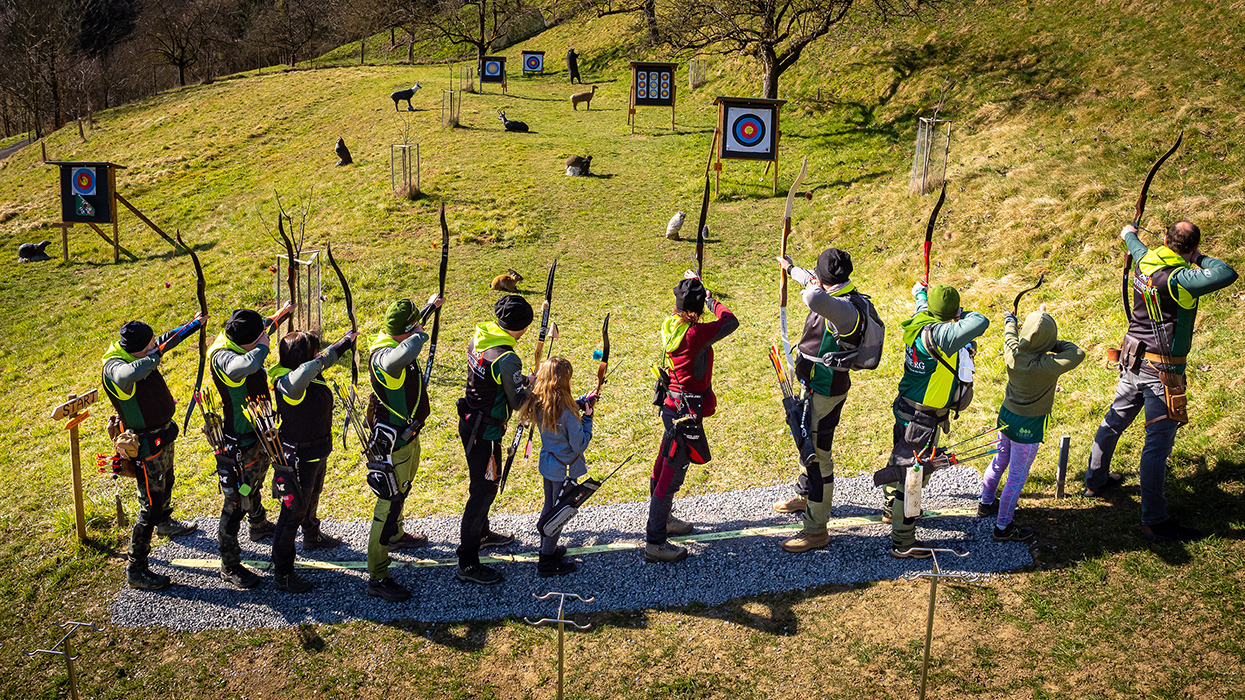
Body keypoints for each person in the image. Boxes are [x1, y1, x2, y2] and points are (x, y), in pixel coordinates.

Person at [1085, 221, 1237, 542]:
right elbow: (1226, 273)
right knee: (1157, 446)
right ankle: (1154, 520)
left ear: (1165, 240)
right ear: (1192, 247)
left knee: (1115, 419)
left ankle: (1095, 481)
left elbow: (1135, 244)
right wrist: (1197, 258)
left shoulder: (1146, 260)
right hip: (1162, 371)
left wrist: (1128, 232)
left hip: (1133, 357)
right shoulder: (1181, 278)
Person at [873, 283, 988, 558]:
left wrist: (921, 293)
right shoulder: (944, 336)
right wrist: (960, 312)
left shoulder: (920, 322)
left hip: (905, 410)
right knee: (912, 477)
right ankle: (904, 542)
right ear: (952, 314)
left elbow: (922, 306)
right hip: (922, 420)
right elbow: (980, 321)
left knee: (899, 460)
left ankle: (891, 509)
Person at [772, 249, 868, 553]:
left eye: (818, 276)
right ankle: (805, 493)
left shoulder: (843, 308)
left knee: (818, 457)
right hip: (813, 385)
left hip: (827, 392)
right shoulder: (836, 290)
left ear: (826, 280)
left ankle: (816, 531)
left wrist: (809, 279)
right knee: (806, 442)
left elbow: (811, 295)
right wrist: (790, 269)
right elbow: (811, 283)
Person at [101, 313, 206, 590]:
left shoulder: (137, 351)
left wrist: (193, 324)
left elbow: (161, 343)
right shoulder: (115, 367)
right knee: (149, 505)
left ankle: (165, 522)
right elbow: (129, 373)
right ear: (134, 350)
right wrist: (152, 358)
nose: (153, 348)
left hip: (162, 436)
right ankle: (136, 569)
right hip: (145, 445)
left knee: (166, 484)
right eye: (147, 347)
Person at [647, 274, 738, 563]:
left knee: (663, 463)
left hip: (672, 406)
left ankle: (664, 520)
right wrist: (711, 299)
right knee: (670, 476)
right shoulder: (692, 333)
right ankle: (655, 542)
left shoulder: (671, 323)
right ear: (694, 312)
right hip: (684, 411)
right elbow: (729, 321)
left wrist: (696, 289)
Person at [979, 304, 1084, 542]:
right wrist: (1051, 343)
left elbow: (1009, 334)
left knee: (998, 461)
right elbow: (1077, 353)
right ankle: (1003, 528)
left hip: (1006, 417)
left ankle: (986, 503)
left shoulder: (1013, 353)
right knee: (1016, 476)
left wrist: (1011, 320)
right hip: (1029, 426)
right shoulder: (1047, 366)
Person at [363, 295, 442, 601]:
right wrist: (421, 332)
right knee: (387, 504)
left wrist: (429, 308)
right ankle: (378, 575)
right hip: (393, 444)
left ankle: (396, 536)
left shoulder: (396, 337)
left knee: (402, 491)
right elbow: (400, 352)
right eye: (415, 328)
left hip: (408, 438)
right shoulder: (385, 357)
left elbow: (406, 333)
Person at [268, 328, 356, 593]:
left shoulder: (306, 376)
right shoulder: (288, 383)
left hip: (317, 452)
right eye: (314, 354)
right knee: (292, 511)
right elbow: (308, 371)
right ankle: (283, 572)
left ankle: (312, 536)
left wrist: (343, 344)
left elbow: (315, 366)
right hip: (298, 458)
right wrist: (322, 358)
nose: (320, 357)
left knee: (312, 498)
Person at [209, 306, 289, 589]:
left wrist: (282, 313)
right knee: (234, 503)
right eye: (256, 341)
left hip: (258, 434)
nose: (261, 341)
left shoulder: (238, 337)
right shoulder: (223, 357)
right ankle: (229, 565)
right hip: (238, 443)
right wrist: (263, 348)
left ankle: (258, 526)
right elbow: (247, 365)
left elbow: (262, 328)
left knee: (252, 486)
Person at [455, 295, 532, 585]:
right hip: (485, 433)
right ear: (522, 327)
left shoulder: (483, 335)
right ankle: (468, 562)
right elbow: (518, 402)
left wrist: (521, 379)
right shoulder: (508, 357)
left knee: (483, 487)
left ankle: (483, 533)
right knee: (484, 491)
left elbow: (494, 380)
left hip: (472, 421)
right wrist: (533, 386)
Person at [517, 355, 594, 577]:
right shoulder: (568, 413)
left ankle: (546, 549)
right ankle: (547, 562)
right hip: (565, 470)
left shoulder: (540, 402)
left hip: (550, 465)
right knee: (558, 514)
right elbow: (579, 444)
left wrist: (581, 402)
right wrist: (588, 419)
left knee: (550, 507)